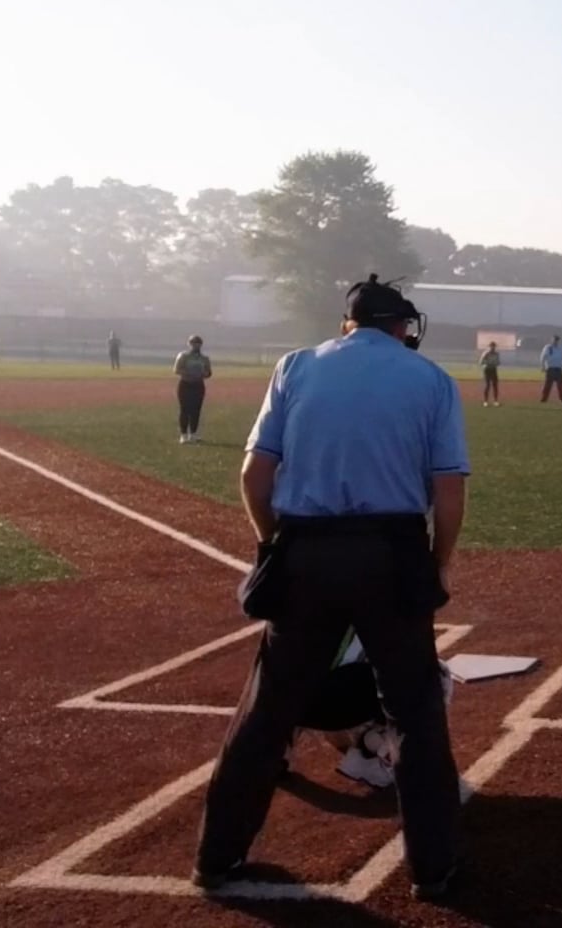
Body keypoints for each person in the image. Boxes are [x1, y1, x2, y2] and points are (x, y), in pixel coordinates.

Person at [194, 274, 467, 902]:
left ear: (348, 323)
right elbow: (448, 490)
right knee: (415, 713)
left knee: (268, 711)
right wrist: (437, 563)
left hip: (306, 549)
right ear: (401, 326)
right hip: (393, 551)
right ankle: (434, 868)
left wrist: (274, 544)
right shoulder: (430, 379)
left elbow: (254, 474)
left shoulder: (296, 366)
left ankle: (217, 856)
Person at [288, 629, 457, 790]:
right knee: (433, 673)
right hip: (331, 702)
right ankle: (371, 752)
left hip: (284, 701)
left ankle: (280, 744)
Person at [173, 336, 214, 444]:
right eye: (193, 343)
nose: (196, 345)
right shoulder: (183, 356)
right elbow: (176, 370)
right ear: (189, 344)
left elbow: (209, 372)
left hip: (198, 385)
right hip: (185, 384)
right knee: (185, 409)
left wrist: (203, 374)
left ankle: (193, 434)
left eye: (198, 343)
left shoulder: (204, 358)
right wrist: (190, 373)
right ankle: (183, 435)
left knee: (196, 410)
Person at [540, 335, 562, 403]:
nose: (556, 341)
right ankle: (544, 399)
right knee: (548, 385)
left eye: (557, 340)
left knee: (560, 385)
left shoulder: (561, 348)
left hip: (558, 368)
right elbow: (543, 357)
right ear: (552, 340)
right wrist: (543, 366)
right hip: (550, 368)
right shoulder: (548, 347)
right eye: (555, 340)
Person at [479, 341, 502, 407]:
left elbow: (498, 362)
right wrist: (486, 364)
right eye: (491, 346)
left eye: (494, 346)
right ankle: (485, 401)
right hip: (487, 370)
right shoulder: (486, 353)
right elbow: (481, 362)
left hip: (493, 369)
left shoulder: (496, 354)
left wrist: (496, 363)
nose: (493, 348)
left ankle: (495, 401)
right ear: (489, 347)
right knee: (487, 385)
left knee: (495, 385)